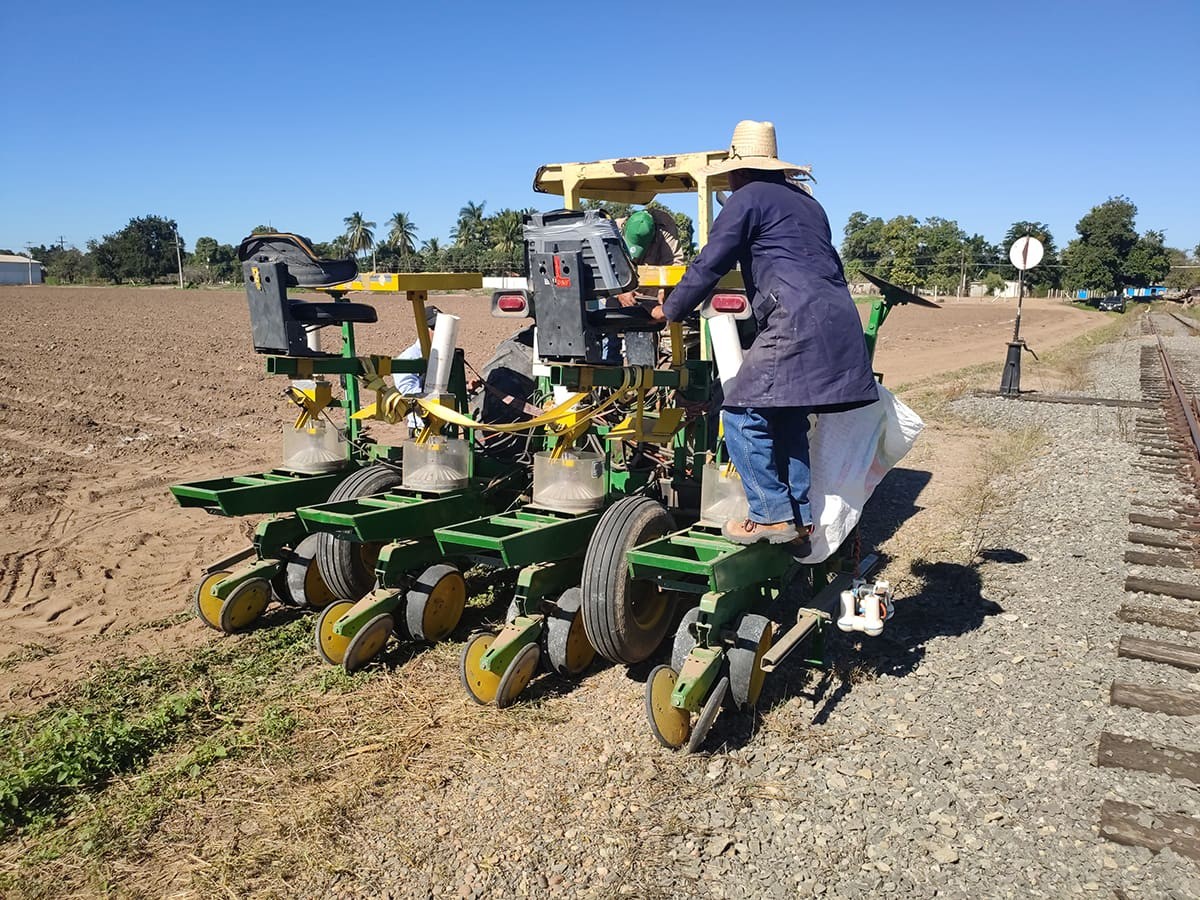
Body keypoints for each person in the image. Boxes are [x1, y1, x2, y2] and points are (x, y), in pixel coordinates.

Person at [654, 120, 878, 551]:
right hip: (834, 315)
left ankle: (769, 516)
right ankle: (800, 520)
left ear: (739, 169)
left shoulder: (747, 198)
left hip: (794, 318)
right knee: (786, 417)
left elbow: (710, 262)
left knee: (739, 412)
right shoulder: (808, 204)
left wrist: (670, 309)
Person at [394, 305, 441, 435]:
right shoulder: (408, 358)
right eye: (434, 328)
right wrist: (439, 395)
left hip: (445, 426)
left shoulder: (443, 356)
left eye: (441, 328)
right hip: (422, 429)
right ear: (422, 330)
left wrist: (466, 389)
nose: (439, 332)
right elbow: (408, 393)